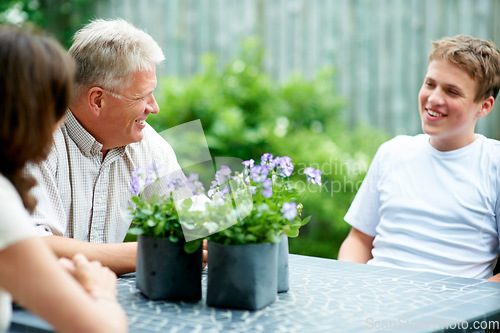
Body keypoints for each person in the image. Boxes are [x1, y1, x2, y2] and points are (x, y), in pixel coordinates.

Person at [24, 18, 207, 275]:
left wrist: (235, 221)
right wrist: (147, 254)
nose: (154, 107)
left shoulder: (147, 144)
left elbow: (193, 222)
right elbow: (29, 247)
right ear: (97, 99)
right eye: (142, 96)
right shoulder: (36, 140)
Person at [338, 35, 500, 283]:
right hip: (372, 301)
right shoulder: (392, 152)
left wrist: (469, 308)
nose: (434, 98)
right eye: (430, 84)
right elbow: (358, 239)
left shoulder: (494, 163)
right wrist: (347, 285)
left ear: (484, 106)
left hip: (453, 314)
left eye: (452, 91)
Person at [0, 24, 127, 332]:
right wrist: (100, 289)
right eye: (144, 95)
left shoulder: (153, 145)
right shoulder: (37, 157)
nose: (155, 107)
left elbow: (199, 220)